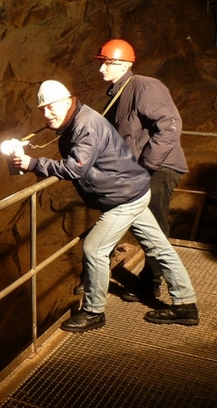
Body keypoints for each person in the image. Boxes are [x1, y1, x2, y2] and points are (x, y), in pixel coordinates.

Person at [12, 80, 198, 332]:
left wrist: (33, 164)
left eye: (51, 107)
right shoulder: (78, 118)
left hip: (123, 197)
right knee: (159, 247)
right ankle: (186, 304)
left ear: (68, 101)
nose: (46, 114)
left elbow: (75, 167)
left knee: (94, 248)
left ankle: (93, 312)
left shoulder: (86, 125)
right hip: (132, 189)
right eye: (42, 109)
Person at [95, 39, 188, 301]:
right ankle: (97, 274)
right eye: (102, 63)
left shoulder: (144, 86)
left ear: (124, 64)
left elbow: (170, 126)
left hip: (159, 168)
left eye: (107, 63)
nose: (101, 69)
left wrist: (146, 166)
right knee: (131, 222)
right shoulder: (119, 93)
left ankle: (152, 285)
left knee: (154, 227)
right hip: (140, 171)